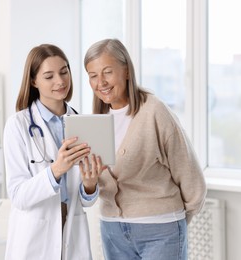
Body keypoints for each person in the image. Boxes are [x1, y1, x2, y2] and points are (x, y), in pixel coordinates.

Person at [82, 38, 207, 260]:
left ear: (127, 71)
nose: (100, 82)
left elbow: (190, 175)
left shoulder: (154, 112)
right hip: (112, 230)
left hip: (160, 229)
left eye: (107, 72)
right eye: (93, 75)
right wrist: (89, 182)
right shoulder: (94, 122)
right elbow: (93, 188)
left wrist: (175, 220)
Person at [3, 44, 101, 260]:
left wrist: (90, 185)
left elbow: (86, 201)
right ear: (33, 81)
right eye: (49, 76)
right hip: (35, 234)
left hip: (72, 228)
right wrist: (56, 170)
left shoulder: (82, 123)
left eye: (64, 71)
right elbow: (18, 196)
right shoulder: (18, 125)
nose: (60, 81)